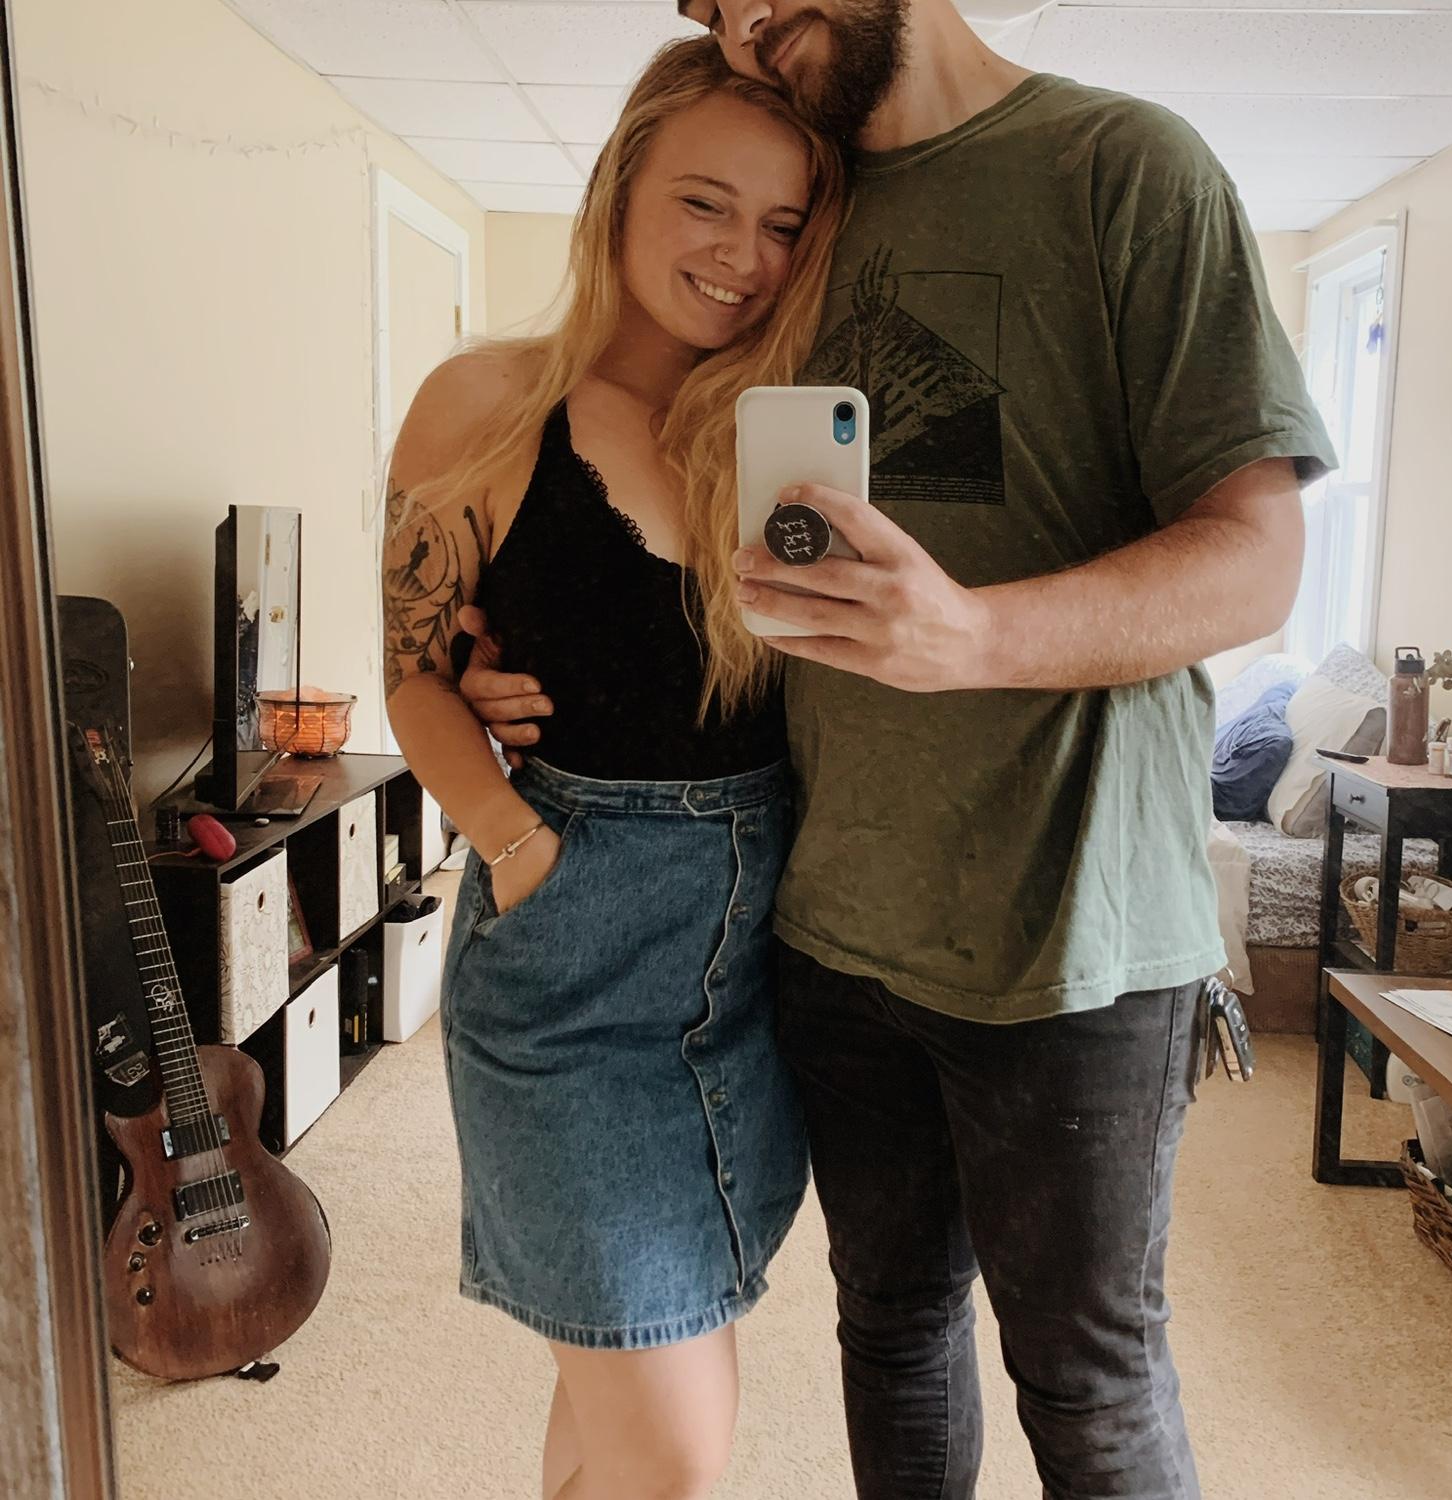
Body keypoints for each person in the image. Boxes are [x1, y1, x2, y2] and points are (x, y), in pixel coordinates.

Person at [461, 2, 1340, 1497]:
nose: (745, 22)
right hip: (824, 931)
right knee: (892, 1330)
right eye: (709, 7)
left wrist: (976, 636)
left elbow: (1258, 562)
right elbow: (651, 498)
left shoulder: (1125, 165)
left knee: (1092, 1384)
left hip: (1074, 936)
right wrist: (516, 654)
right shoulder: (795, 203)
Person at [381, 37, 846, 1500]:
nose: (742, 257)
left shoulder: (783, 439)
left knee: (615, 1386)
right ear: (620, 188)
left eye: (782, 225)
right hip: (572, 965)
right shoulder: (486, 403)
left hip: (756, 970)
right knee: (676, 1447)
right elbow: (411, 672)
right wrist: (516, 844)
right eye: (706, 203)